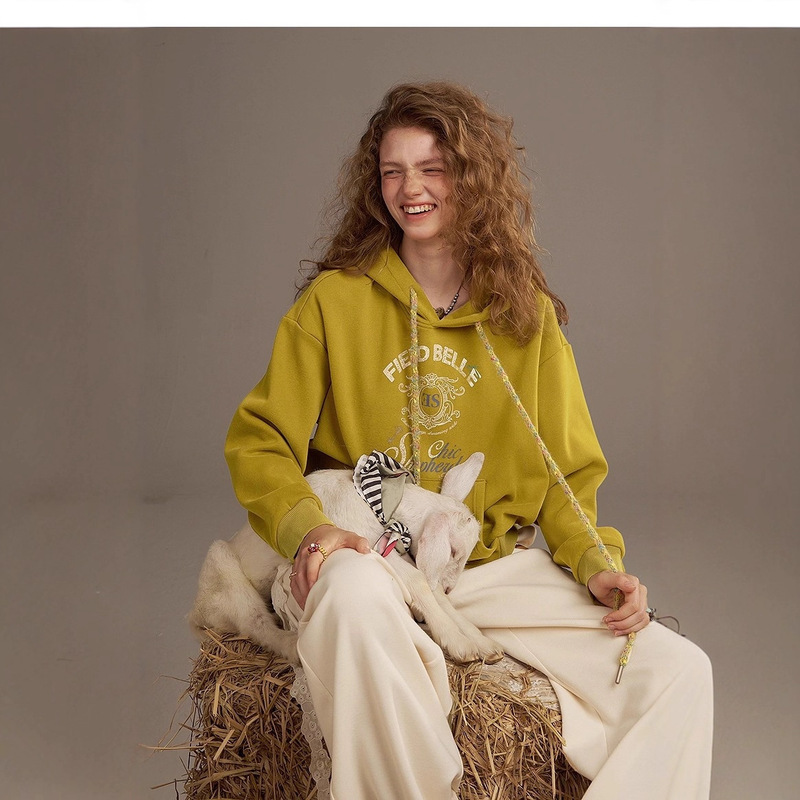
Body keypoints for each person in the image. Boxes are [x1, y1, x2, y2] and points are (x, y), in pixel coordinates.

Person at [224, 81, 713, 800]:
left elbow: (566, 472)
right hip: (374, 562)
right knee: (352, 598)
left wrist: (597, 564)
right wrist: (311, 531)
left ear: (473, 178)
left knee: (678, 673)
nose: (411, 189)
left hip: (483, 570)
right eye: (393, 171)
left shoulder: (524, 315)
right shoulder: (334, 303)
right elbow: (260, 442)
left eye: (433, 168)